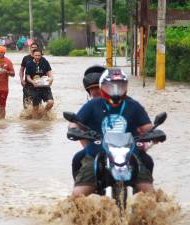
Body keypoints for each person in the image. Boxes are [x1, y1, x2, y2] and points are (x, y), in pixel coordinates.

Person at [68, 68, 156, 197]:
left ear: (126, 87)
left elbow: (147, 126)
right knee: (77, 195)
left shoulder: (133, 105)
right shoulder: (92, 105)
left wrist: (155, 133)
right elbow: (75, 123)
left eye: (120, 86)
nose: (115, 90)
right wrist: (73, 130)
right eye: (111, 86)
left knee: (150, 195)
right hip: (97, 153)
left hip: (129, 154)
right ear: (103, 87)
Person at [25, 48, 54, 118]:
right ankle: (35, 124)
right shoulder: (29, 64)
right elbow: (27, 76)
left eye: (39, 55)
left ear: (41, 55)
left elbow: (49, 72)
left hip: (45, 86)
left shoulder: (45, 61)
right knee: (35, 108)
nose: (37, 57)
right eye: (36, 55)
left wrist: (51, 79)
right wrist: (32, 82)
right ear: (33, 55)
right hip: (35, 87)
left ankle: (43, 114)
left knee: (50, 102)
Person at [19, 42, 39, 108]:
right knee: (26, 104)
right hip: (27, 84)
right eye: (32, 47)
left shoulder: (40, 58)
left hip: (38, 84)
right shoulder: (26, 58)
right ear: (30, 48)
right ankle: (26, 116)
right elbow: (21, 70)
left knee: (37, 104)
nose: (34, 49)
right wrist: (21, 80)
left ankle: (36, 117)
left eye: (35, 48)